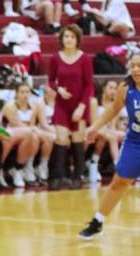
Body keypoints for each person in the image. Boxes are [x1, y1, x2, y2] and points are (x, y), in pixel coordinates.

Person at [79, 53, 140, 240]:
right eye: (133, 66)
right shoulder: (126, 87)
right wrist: (95, 127)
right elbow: (113, 109)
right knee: (119, 181)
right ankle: (97, 222)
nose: (136, 70)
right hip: (135, 142)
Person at [46, 24, 93, 190]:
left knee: (77, 139)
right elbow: (51, 80)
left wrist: (82, 106)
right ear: (61, 38)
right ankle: (57, 175)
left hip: (80, 104)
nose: (69, 39)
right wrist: (58, 89)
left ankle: (77, 176)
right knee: (61, 138)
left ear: (77, 39)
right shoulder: (55, 58)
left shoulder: (85, 58)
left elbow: (89, 86)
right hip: (62, 104)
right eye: (66, 36)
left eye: (72, 37)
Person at [87, 79, 123, 183]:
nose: (113, 91)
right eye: (110, 87)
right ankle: (119, 169)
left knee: (127, 136)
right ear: (104, 88)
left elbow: (112, 126)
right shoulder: (95, 102)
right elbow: (94, 123)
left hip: (107, 132)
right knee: (110, 136)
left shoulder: (115, 104)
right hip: (93, 130)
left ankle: (93, 162)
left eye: (115, 88)